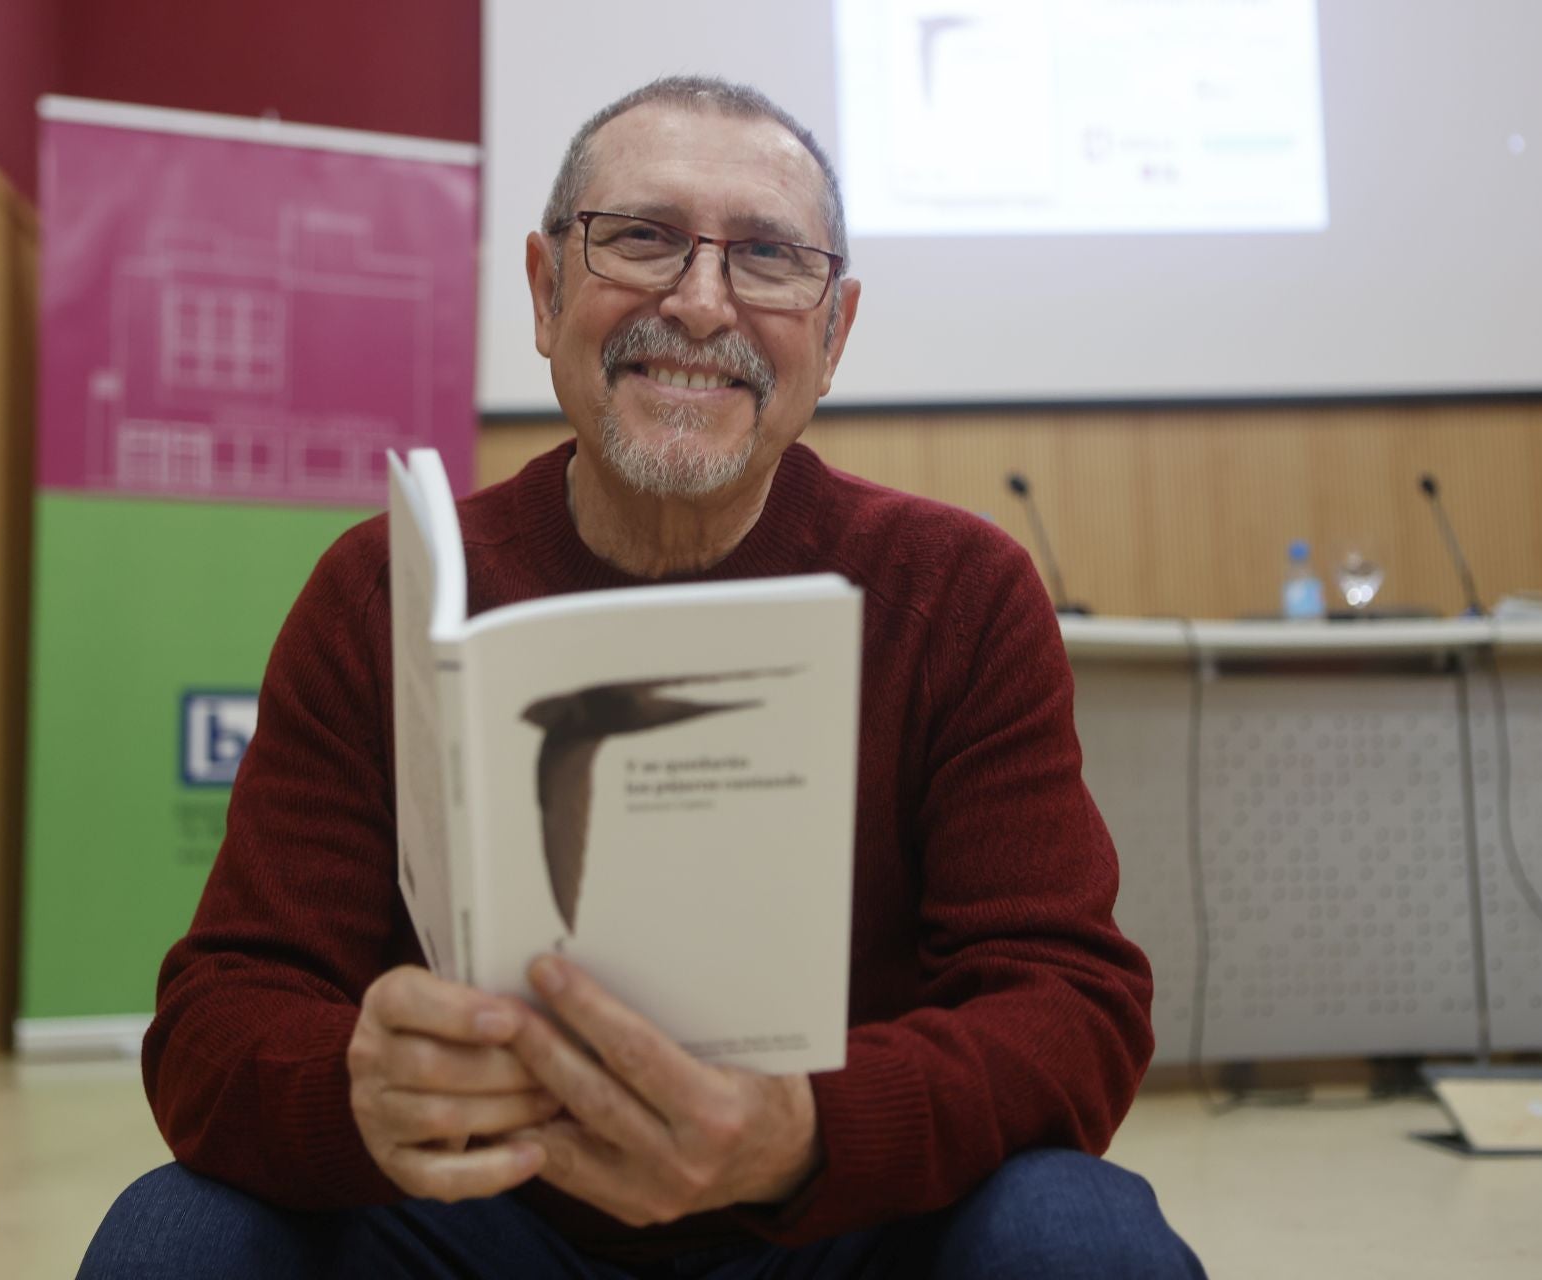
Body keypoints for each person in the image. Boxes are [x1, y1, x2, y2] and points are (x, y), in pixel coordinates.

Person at [80, 76, 1204, 1278]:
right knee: (178, 1232)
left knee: (1078, 1233)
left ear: (833, 331)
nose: (701, 302)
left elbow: (1070, 1004)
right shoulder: (384, 588)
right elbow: (219, 1015)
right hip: (480, 1217)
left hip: (836, 1220)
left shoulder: (957, 590)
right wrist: (355, 1086)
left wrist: (806, 1133)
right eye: (640, 238)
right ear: (544, 287)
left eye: (768, 257)